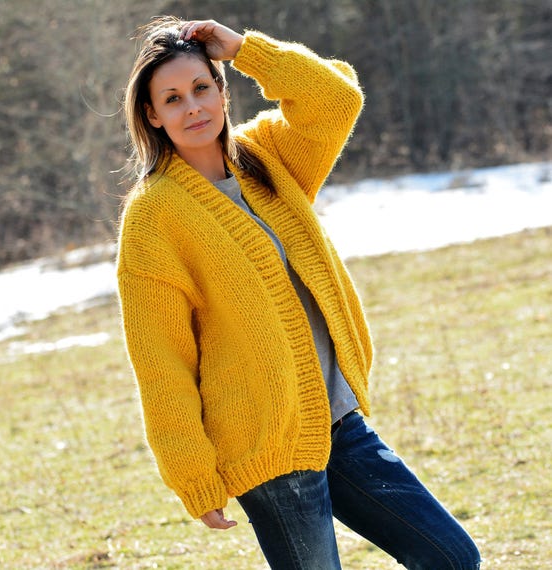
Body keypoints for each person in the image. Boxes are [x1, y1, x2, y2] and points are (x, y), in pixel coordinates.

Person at [117, 16, 482, 569]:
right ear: (152, 115)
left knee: (451, 557)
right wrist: (191, 473)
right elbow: (160, 359)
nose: (192, 107)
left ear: (222, 91)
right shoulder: (154, 217)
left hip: (339, 424)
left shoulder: (267, 155)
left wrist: (245, 49)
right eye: (172, 99)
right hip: (266, 447)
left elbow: (336, 99)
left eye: (201, 88)